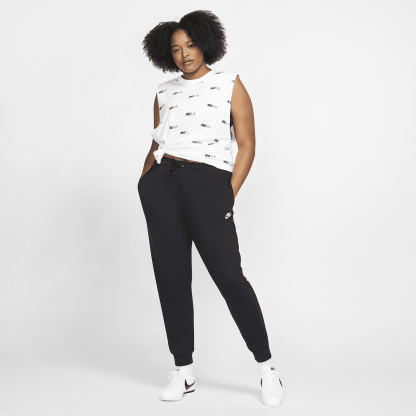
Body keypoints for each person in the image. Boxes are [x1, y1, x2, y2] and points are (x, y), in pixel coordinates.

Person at [139, 10, 284, 407]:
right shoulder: (164, 91)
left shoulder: (229, 83)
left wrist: (227, 195)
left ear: (205, 43)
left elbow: (247, 143)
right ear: (167, 54)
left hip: (208, 185)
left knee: (229, 278)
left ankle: (266, 369)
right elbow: (157, 143)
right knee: (171, 279)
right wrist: (145, 184)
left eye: (190, 45)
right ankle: (183, 371)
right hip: (163, 184)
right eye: (176, 49)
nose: (184, 54)